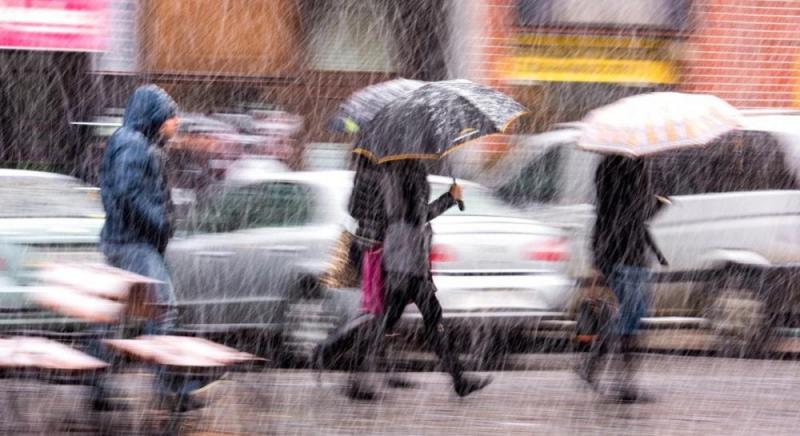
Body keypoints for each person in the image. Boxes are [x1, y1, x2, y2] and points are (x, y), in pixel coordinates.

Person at [91, 84, 204, 412]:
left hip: (124, 240)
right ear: (154, 116)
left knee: (112, 313)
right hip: (134, 243)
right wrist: (160, 224)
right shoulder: (133, 144)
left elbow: (129, 193)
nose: (176, 122)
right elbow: (128, 194)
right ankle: (169, 387)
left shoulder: (136, 142)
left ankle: (97, 383)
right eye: (170, 116)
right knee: (163, 309)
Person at [375, 159, 491, 397]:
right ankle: (340, 354)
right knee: (422, 319)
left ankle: (458, 378)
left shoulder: (396, 169)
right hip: (407, 261)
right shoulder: (408, 171)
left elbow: (408, 214)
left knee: (393, 320)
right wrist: (450, 198)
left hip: (404, 260)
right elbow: (417, 214)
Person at [584, 154, 668, 403]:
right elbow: (631, 213)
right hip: (623, 254)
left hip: (623, 252)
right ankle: (624, 382)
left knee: (627, 319)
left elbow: (622, 212)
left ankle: (595, 367)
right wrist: (658, 203)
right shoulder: (623, 166)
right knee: (630, 321)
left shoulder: (618, 165)